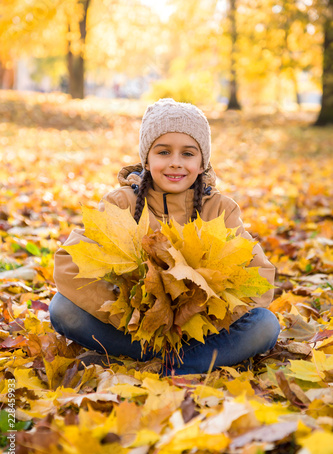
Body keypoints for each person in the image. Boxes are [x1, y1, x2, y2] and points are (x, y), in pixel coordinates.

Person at [50, 98, 280, 375]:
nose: (175, 163)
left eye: (187, 154)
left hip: (201, 334)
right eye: (163, 152)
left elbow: (259, 276)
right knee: (62, 309)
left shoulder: (220, 209)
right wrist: (133, 317)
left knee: (265, 325)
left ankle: (175, 364)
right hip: (134, 332)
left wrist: (197, 321)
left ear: (202, 162)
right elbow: (70, 263)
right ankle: (165, 359)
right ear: (147, 158)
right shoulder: (121, 203)